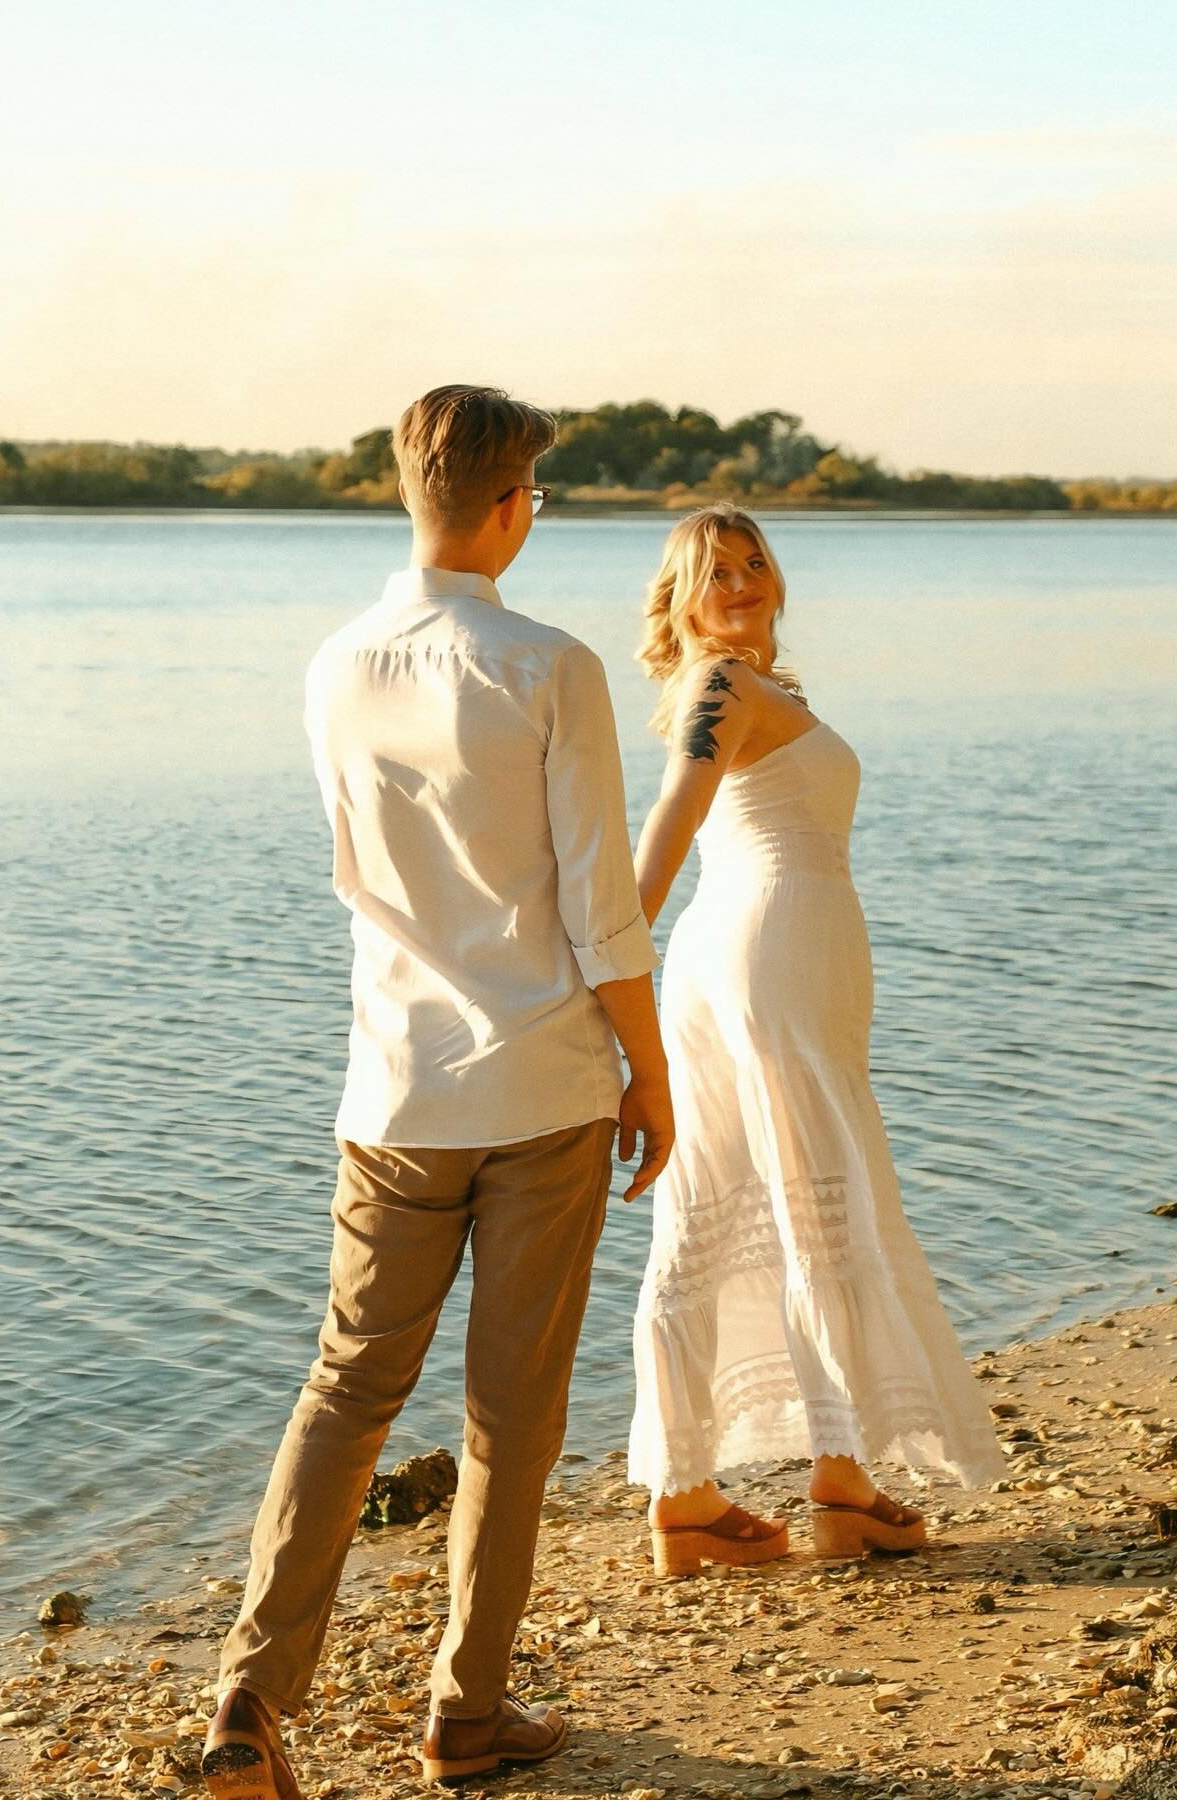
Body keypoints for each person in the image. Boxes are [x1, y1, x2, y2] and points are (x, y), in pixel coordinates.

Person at [202, 386, 673, 1798]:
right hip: (541, 1089)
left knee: (343, 1395)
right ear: (514, 505)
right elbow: (601, 906)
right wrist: (653, 1072)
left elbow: (355, 873)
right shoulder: (551, 665)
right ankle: (465, 1716)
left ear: (413, 495)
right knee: (510, 1418)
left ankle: (246, 1706)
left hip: (393, 1090)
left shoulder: (335, 663)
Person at [625, 503, 1005, 1579]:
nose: (743, 582)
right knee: (805, 1199)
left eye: (755, 561)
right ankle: (833, 1486)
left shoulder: (755, 686)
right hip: (768, 949)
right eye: (716, 571)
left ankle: (695, 1502)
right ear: (683, 599)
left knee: (731, 1200)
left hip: (763, 948)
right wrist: (609, 968)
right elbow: (670, 822)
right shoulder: (721, 685)